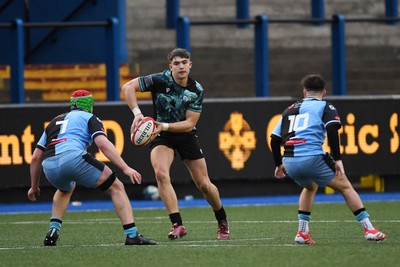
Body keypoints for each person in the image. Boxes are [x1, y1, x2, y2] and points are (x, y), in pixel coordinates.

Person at [121, 48, 229, 240]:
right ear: (170, 66)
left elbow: (190, 124)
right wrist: (137, 114)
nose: (181, 66)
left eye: (184, 62)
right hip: (161, 135)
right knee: (161, 174)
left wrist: (162, 125)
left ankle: (221, 219)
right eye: (176, 63)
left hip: (184, 134)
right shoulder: (160, 80)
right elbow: (127, 87)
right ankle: (177, 224)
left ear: (190, 65)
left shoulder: (196, 90)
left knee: (203, 184)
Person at [27, 89, 157, 246]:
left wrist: (34, 186)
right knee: (116, 187)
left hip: (49, 166)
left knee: (65, 189)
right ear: (89, 105)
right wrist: (126, 168)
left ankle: (53, 230)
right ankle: (132, 235)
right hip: (72, 157)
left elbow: (35, 158)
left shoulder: (54, 121)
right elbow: (103, 144)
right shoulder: (90, 117)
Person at [270, 74, 387, 244]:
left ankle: (302, 232)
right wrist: (337, 159)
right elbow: (332, 129)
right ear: (323, 92)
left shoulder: (289, 110)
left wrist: (278, 164)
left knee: (310, 187)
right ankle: (369, 228)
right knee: (346, 187)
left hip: (290, 161)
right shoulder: (326, 106)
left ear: (304, 92)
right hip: (312, 157)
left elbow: (274, 139)